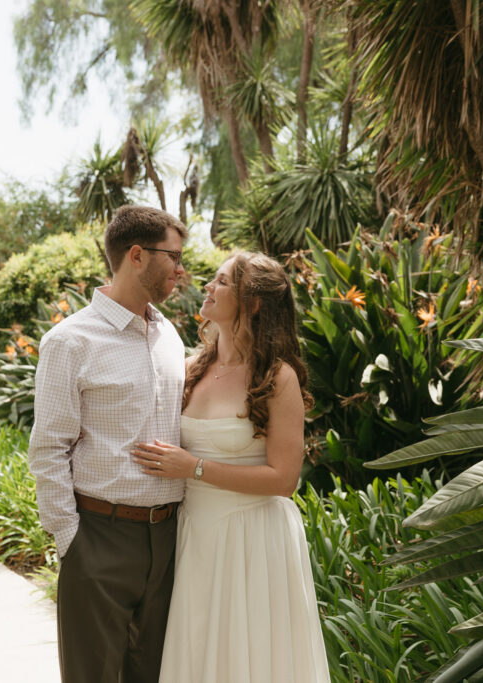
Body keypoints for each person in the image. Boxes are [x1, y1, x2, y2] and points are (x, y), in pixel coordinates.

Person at [131, 252, 332, 683]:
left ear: (253, 303)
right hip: (194, 535)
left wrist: (194, 468)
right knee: (199, 650)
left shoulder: (278, 378)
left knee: (253, 659)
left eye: (221, 282)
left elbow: (284, 480)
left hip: (253, 539)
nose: (208, 286)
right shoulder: (189, 369)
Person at [28, 205, 189, 683]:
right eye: (173, 257)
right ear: (136, 255)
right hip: (98, 537)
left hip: (169, 540)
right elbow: (48, 449)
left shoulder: (170, 336)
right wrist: (71, 542)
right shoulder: (70, 341)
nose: (181, 270)